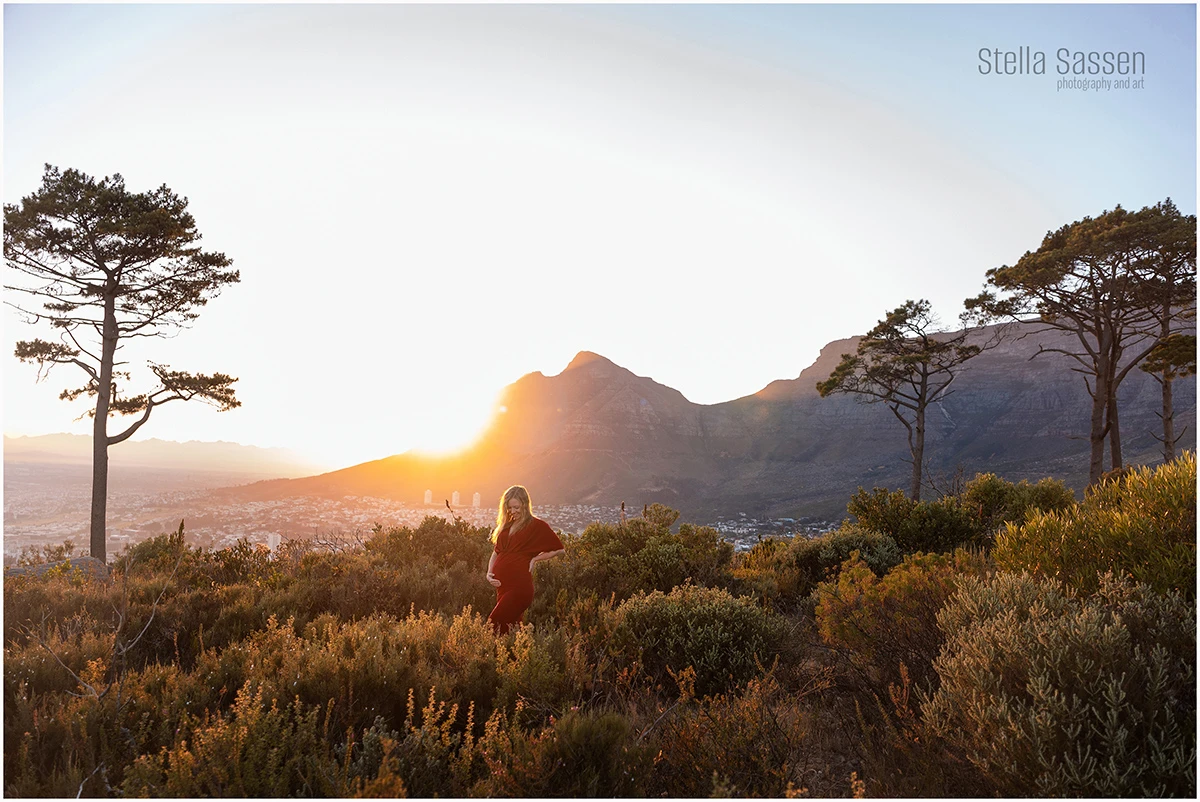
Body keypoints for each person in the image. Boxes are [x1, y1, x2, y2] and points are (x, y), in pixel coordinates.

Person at [486, 485, 564, 634]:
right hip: (502, 588)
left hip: (519, 588)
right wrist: (489, 572)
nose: (513, 511)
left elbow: (559, 549)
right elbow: (496, 552)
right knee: (509, 632)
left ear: (525, 504)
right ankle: (513, 657)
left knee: (492, 626)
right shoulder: (506, 526)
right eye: (509, 508)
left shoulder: (536, 525)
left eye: (516, 507)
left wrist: (535, 558)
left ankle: (483, 655)